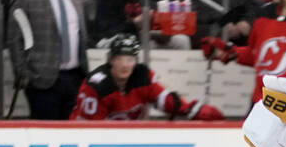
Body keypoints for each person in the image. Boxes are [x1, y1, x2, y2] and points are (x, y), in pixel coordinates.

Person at [8, 0, 89, 120]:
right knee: (45, 133)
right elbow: (15, 39)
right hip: (42, 81)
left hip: (75, 77)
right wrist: (24, 75)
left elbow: (80, 35)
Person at [71, 34, 223, 121]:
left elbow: (166, 100)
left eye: (130, 59)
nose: (125, 65)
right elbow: (88, 130)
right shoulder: (97, 86)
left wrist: (192, 109)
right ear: (110, 60)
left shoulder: (142, 75)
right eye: (119, 59)